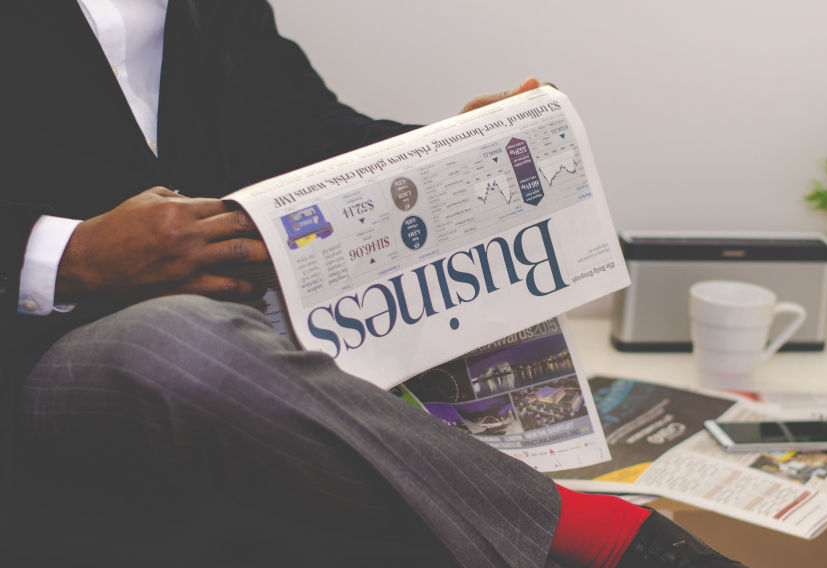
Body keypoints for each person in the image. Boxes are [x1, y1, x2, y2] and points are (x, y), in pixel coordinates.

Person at [0, 2, 747, 567]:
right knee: (179, 344)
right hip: (43, 346)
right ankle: (612, 539)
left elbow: (302, 131)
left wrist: (447, 151)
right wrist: (69, 255)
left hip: (247, 330)